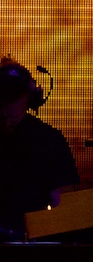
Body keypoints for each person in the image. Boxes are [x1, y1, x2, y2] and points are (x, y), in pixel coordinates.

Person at [0, 57, 79, 240]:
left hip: (31, 245)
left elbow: (65, 208)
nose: (5, 109)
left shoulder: (49, 141)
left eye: (12, 100)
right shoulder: (50, 139)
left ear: (29, 99)